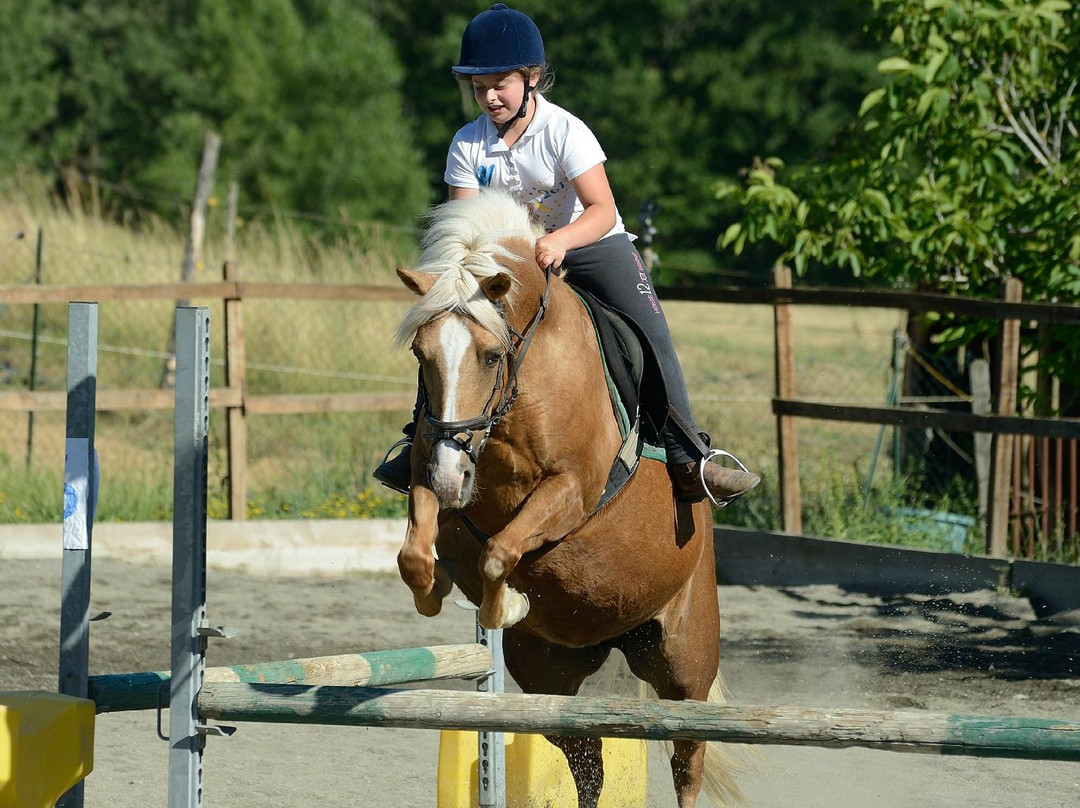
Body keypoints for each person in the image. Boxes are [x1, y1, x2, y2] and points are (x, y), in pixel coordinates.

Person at [374, 3, 759, 506]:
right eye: (478, 86)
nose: (489, 96)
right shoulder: (466, 143)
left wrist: (559, 241)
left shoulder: (564, 131)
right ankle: (420, 442)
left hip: (591, 244)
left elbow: (602, 209)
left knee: (650, 332)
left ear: (531, 78)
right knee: (449, 334)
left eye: (500, 84)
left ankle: (691, 458)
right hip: (510, 265)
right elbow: (462, 229)